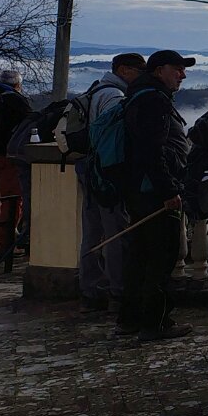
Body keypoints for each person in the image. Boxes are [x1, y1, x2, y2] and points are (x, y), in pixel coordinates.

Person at [117, 50, 194, 342]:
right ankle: (155, 322)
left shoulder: (137, 95)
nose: (182, 75)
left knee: (139, 257)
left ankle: (129, 319)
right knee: (161, 258)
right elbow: (153, 151)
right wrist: (169, 191)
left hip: (137, 188)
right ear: (160, 70)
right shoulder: (154, 100)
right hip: (153, 191)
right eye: (177, 69)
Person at [74, 53, 144, 313]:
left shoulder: (95, 90)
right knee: (116, 233)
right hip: (107, 173)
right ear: (124, 70)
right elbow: (115, 140)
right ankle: (118, 291)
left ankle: (90, 290)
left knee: (92, 232)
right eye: (139, 70)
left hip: (88, 168)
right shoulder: (115, 96)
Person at [0, 70, 32, 255]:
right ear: (18, 85)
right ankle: (5, 244)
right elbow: (30, 125)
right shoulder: (16, 101)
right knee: (11, 199)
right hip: (7, 156)